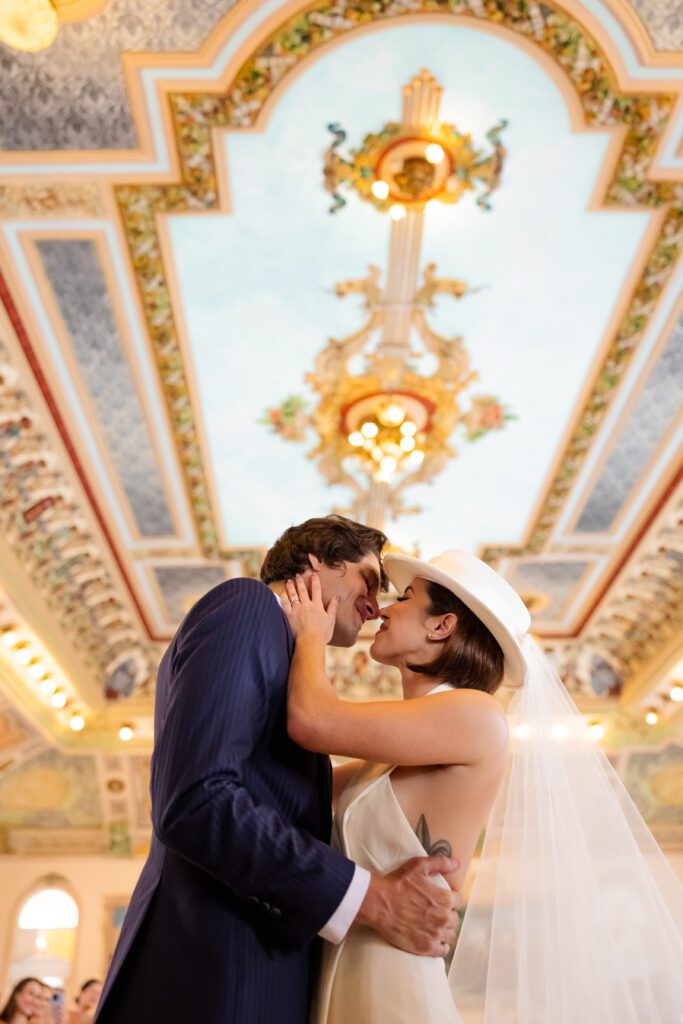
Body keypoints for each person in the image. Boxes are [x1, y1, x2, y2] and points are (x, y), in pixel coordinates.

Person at [281, 548, 683, 1022]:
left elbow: (312, 721)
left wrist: (310, 636)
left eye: (406, 597)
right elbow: (304, 783)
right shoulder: (389, 758)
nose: (383, 609)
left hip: (394, 983)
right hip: (344, 970)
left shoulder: (477, 714)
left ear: (441, 626)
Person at [94, 516, 461, 1024]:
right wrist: (371, 899)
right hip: (215, 978)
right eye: (368, 580)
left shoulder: (288, 660)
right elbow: (197, 800)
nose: (376, 604)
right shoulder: (248, 606)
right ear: (316, 559)